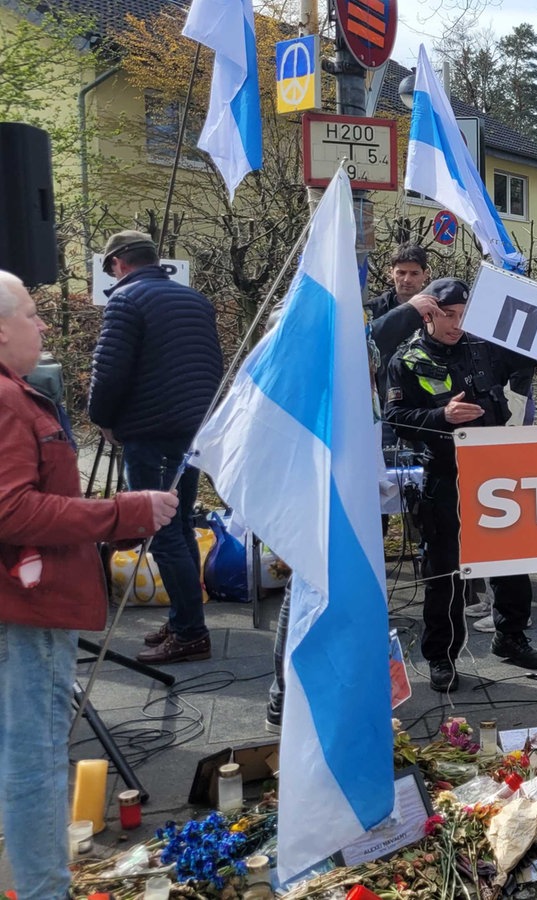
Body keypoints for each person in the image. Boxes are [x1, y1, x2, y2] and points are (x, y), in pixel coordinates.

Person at [1, 269, 180, 900]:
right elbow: (12, 510)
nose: (44, 325)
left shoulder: (15, 394)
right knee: (33, 765)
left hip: (30, 603)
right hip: (25, 613)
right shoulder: (3, 400)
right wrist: (121, 513)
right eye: (31, 314)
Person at [384, 277, 537, 691]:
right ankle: (441, 655)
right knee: (446, 571)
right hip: (445, 473)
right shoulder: (407, 358)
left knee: (510, 558)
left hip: (495, 472)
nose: (457, 324)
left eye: (463, 316)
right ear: (429, 316)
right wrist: (441, 417)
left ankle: (510, 637)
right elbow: (395, 421)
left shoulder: (484, 345)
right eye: (448, 317)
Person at [89, 230, 224, 665]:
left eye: (111, 267)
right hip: (193, 429)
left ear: (120, 264)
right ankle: (184, 616)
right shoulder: (196, 300)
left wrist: (104, 419)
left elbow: (109, 370)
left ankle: (189, 633)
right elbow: (210, 363)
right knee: (181, 523)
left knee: (162, 529)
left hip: (152, 431)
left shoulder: (126, 301)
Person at [366, 244, 439, 375]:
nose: (407, 279)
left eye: (414, 273)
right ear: (391, 272)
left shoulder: (437, 309)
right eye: (401, 272)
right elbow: (365, 343)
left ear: (425, 275)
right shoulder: (373, 309)